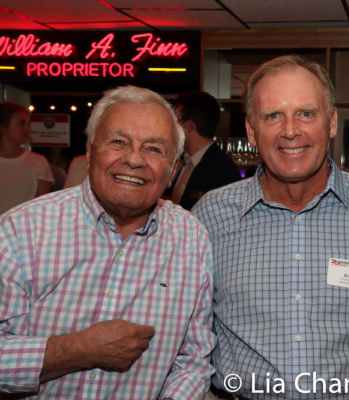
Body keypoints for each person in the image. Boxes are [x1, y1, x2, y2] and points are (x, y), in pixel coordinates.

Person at [192, 55, 349, 399]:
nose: (291, 130)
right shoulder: (210, 216)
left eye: (306, 113)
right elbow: (188, 335)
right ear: (252, 131)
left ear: (331, 122)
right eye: (273, 116)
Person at [0, 86, 215, 399]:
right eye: (118, 142)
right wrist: (80, 349)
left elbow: (194, 359)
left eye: (154, 149)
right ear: (89, 151)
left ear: (172, 170)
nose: (134, 159)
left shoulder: (192, 239)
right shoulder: (21, 231)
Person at [169, 90, 241, 210]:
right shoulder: (184, 161)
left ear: (189, 126)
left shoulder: (223, 171)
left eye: (177, 120)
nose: (172, 127)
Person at [0, 102, 53, 214]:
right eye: (21, 124)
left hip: (24, 229)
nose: (28, 129)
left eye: (28, 124)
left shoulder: (38, 161)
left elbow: (43, 207)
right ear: (3, 128)